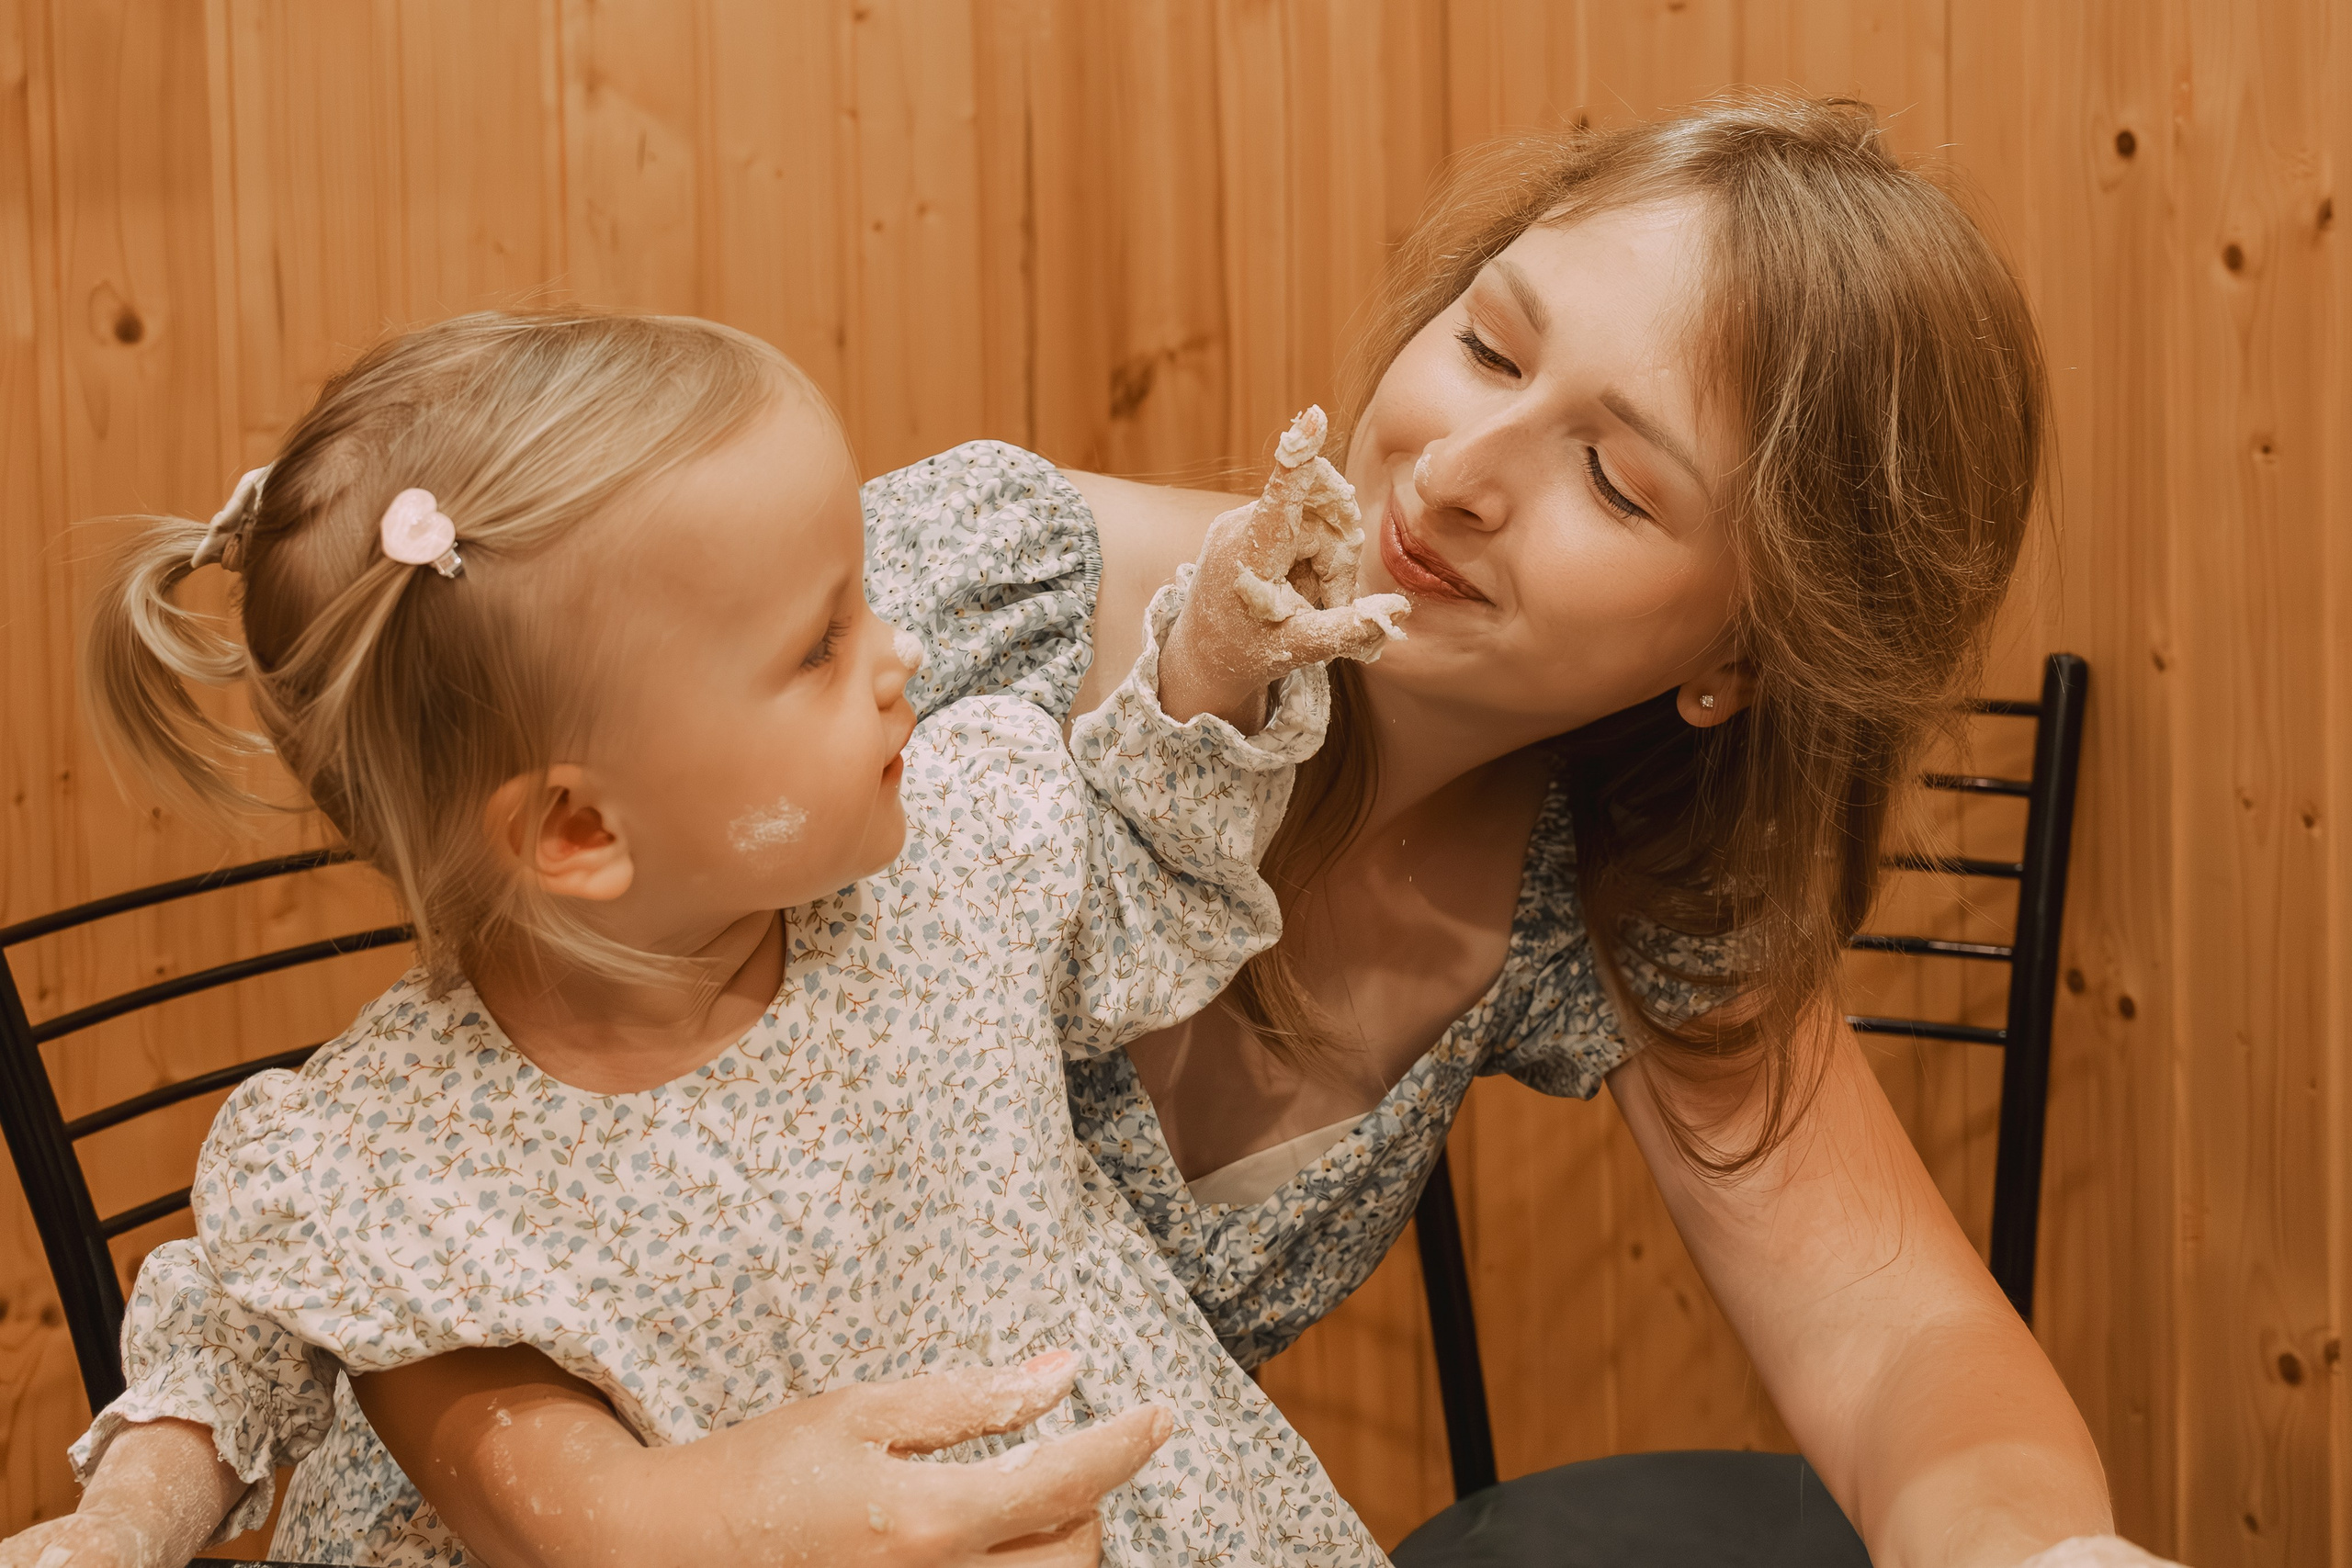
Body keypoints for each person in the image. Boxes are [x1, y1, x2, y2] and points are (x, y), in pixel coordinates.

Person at [7, 92, 2170, 1568]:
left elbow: (1903, 1349)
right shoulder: (961, 616)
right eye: (1484, 338)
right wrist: (600, 1509)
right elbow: (496, 1132)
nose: (1459, 469)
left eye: (1617, 479)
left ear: (1736, 647)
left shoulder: (1599, 892)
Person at [13, 310, 1412, 1568]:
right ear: (577, 832)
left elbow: (1130, 856)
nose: (900, 654)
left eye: (863, 597)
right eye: (820, 646)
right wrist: (126, 1523)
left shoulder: (955, 856)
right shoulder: (392, 1140)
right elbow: (241, 1335)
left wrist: (1219, 656)